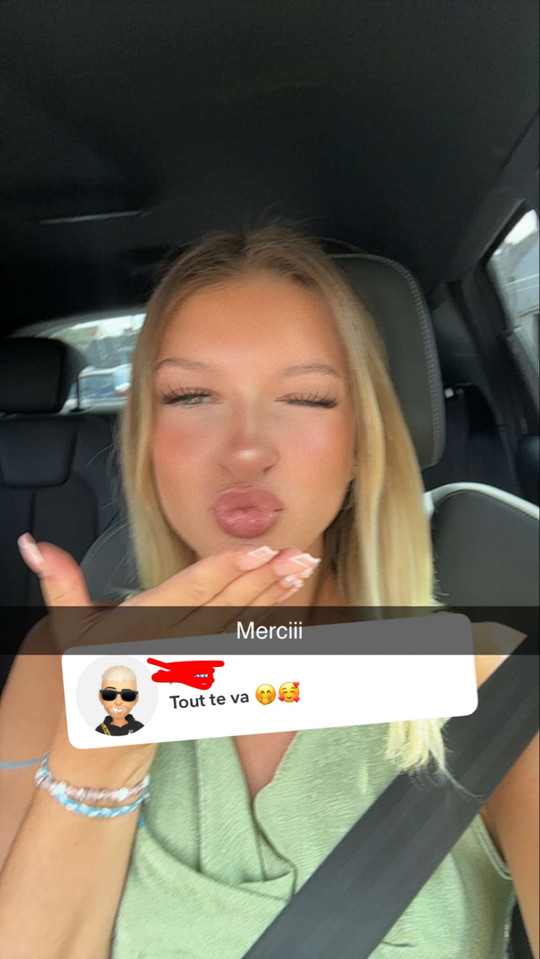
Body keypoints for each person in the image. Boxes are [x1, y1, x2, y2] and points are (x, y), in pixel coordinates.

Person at [0, 225, 538, 959]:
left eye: (307, 397)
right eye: (191, 395)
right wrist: (105, 740)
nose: (247, 448)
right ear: (146, 440)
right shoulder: (63, 664)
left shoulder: (488, 684)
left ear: (361, 443)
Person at [95, 666, 144, 736]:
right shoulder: (99, 731)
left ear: (136, 699)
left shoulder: (140, 728)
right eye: (109, 695)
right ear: (100, 697)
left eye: (128, 695)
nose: (118, 702)